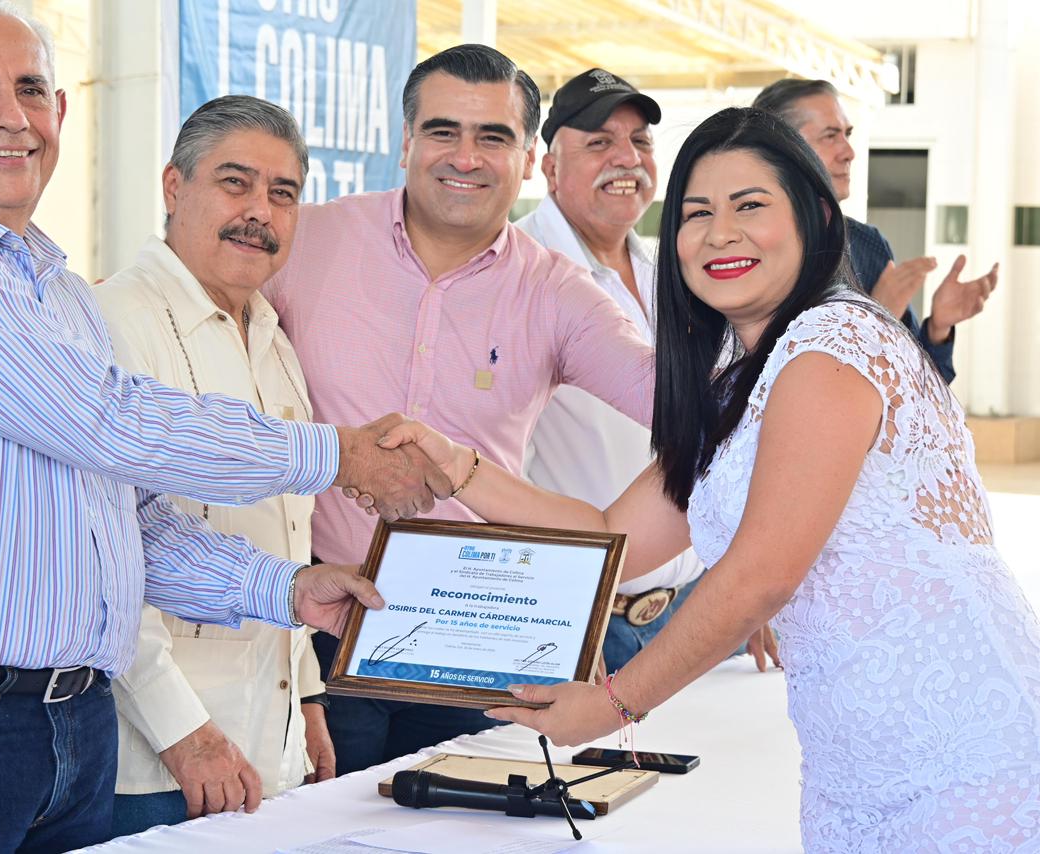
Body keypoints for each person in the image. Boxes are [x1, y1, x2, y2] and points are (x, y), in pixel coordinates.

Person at [377, 107, 1040, 851]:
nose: (720, 233)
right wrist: (457, 467)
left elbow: (762, 575)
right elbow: (608, 536)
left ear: (817, 217)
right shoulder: (742, 382)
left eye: (749, 206)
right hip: (864, 767)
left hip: (970, 758)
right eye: (697, 213)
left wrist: (613, 703)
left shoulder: (832, 346)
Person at [0, 3, 444, 851]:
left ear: (60, 111)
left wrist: (285, 590)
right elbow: (111, 424)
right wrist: (339, 454)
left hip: (68, 724)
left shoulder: (58, 291)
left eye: (32, 90)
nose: (13, 117)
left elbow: (123, 520)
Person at [263, 44, 656, 774]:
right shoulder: (307, 240)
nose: (465, 157)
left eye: (493, 137)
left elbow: (679, 407)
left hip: (479, 635)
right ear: (406, 141)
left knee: (466, 824)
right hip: (318, 621)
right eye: (443, 131)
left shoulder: (558, 292)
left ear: (529, 159)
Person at [94, 96, 337, 836]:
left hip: (272, 751)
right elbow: (103, 558)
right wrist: (183, 733)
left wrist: (307, 698)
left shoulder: (272, 336)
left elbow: (286, 537)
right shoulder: (112, 321)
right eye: (236, 183)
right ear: (174, 186)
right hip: (159, 766)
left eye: (283, 193)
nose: (259, 211)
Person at [515, 68, 753, 670]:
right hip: (582, 619)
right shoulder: (517, 273)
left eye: (640, 141)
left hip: (696, 607)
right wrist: (547, 615)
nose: (627, 158)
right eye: (599, 142)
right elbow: (492, 458)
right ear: (549, 167)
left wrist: (749, 588)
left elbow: (723, 437)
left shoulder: (674, 270)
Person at [753, 78, 998, 384]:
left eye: (847, 134)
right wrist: (874, 320)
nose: (849, 152)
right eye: (830, 136)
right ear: (780, 150)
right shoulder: (747, 248)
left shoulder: (867, 245)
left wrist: (938, 329)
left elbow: (922, 392)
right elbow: (754, 386)